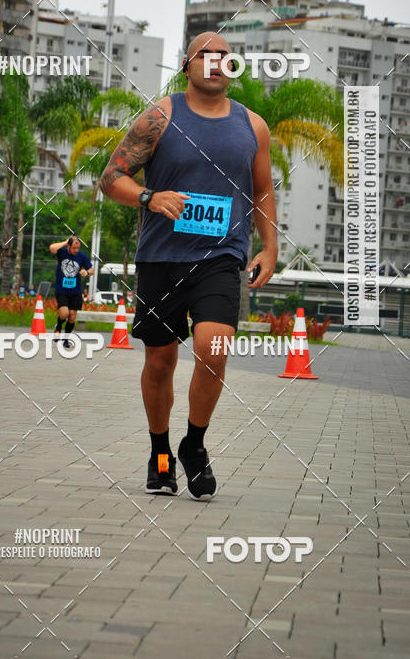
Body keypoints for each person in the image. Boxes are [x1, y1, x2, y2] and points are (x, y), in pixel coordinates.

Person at [100, 31, 277, 500]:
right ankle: (161, 454)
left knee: (213, 350)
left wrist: (270, 246)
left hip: (221, 257)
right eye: (205, 55)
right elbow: (111, 177)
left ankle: (194, 445)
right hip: (161, 258)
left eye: (224, 57)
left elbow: (262, 190)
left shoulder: (253, 126)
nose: (215, 62)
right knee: (160, 362)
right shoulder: (160, 117)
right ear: (187, 65)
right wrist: (149, 197)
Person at [48, 237, 93, 343]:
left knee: (72, 317)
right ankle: (58, 327)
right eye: (74, 248)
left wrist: (87, 272)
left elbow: (92, 270)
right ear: (68, 246)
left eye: (78, 248)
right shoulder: (62, 252)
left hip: (75, 291)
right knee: (64, 314)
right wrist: (65, 242)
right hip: (62, 290)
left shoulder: (82, 256)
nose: (76, 250)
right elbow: (52, 248)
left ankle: (66, 339)